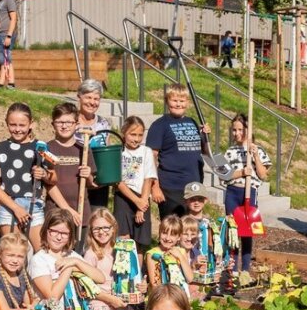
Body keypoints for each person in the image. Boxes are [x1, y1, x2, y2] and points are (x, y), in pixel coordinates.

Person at [29, 209, 109, 310]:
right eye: (54, 231)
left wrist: (75, 261)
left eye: (64, 233)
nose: (59, 237)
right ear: (46, 230)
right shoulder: (39, 260)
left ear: (70, 236)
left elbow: (100, 278)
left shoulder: (72, 255)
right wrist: (69, 268)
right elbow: (52, 296)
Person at [0, 102, 53, 250]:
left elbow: (53, 178)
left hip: (33, 205)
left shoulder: (40, 147)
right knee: (12, 253)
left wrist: (44, 174)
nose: (17, 129)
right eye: (13, 125)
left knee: (42, 251)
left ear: (31, 124)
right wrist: (15, 208)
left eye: (22, 125)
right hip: (8, 205)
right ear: (6, 124)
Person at [147, 84, 209, 219]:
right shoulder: (160, 125)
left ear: (187, 102)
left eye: (182, 101)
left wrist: (205, 136)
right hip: (171, 187)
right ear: (167, 101)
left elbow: (205, 152)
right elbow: (151, 157)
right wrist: (155, 187)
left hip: (193, 187)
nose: (178, 104)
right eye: (174, 100)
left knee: (191, 231)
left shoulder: (193, 122)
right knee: (172, 230)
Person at [223, 113, 272, 272]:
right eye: (234, 130)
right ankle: (232, 268)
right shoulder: (230, 152)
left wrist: (255, 155)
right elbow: (225, 176)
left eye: (240, 130)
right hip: (232, 192)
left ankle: (245, 269)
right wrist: (242, 172)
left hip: (249, 192)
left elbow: (263, 174)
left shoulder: (258, 151)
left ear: (248, 131)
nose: (236, 133)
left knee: (247, 230)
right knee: (232, 230)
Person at [84, 208, 141, 310]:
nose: (101, 232)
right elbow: (87, 288)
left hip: (121, 301)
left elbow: (132, 277)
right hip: (100, 302)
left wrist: (140, 287)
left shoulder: (122, 250)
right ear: (91, 231)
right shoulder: (91, 254)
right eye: (96, 228)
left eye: (106, 227)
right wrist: (110, 299)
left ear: (113, 228)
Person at [45, 102, 98, 228]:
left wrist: (88, 175)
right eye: (59, 122)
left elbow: (91, 183)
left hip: (81, 212)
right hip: (56, 212)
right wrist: (67, 210)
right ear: (53, 124)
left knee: (79, 247)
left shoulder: (83, 149)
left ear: (76, 124)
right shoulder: (47, 149)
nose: (64, 126)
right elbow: (48, 184)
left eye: (69, 122)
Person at [114, 116, 156, 253]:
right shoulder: (118, 151)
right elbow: (118, 181)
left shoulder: (146, 152)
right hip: (123, 196)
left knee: (140, 241)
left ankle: (138, 272)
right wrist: (135, 200)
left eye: (140, 135)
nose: (136, 139)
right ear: (124, 133)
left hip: (142, 197)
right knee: (123, 236)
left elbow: (148, 179)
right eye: (132, 134)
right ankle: (124, 269)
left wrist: (141, 205)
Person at [74, 79, 114, 211]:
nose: (92, 102)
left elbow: (106, 150)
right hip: (76, 180)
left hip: (98, 184)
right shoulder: (70, 122)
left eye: (96, 98)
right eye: (88, 97)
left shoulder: (103, 123)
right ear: (79, 96)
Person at [145, 215, 192, 292]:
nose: (167, 238)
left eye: (172, 235)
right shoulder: (152, 254)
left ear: (179, 237)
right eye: (164, 233)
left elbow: (189, 278)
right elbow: (154, 284)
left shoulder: (181, 252)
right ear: (159, 232)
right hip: (160, 294)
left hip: (179, 294)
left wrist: (180, 257)